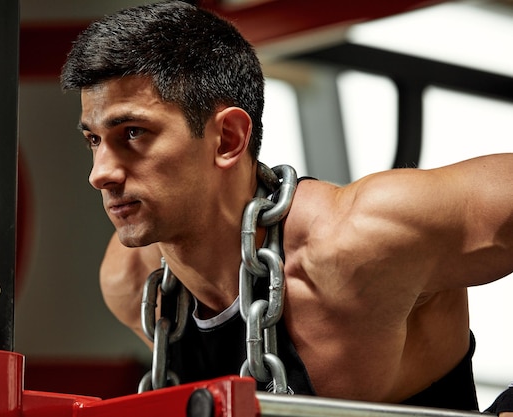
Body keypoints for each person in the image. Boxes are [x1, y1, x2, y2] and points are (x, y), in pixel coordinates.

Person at [60, 0, 513, 412]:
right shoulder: (131, 282)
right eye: (94, 140)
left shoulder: (363, 239)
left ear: (228, 139)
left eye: (133, 134)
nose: (100, 173)